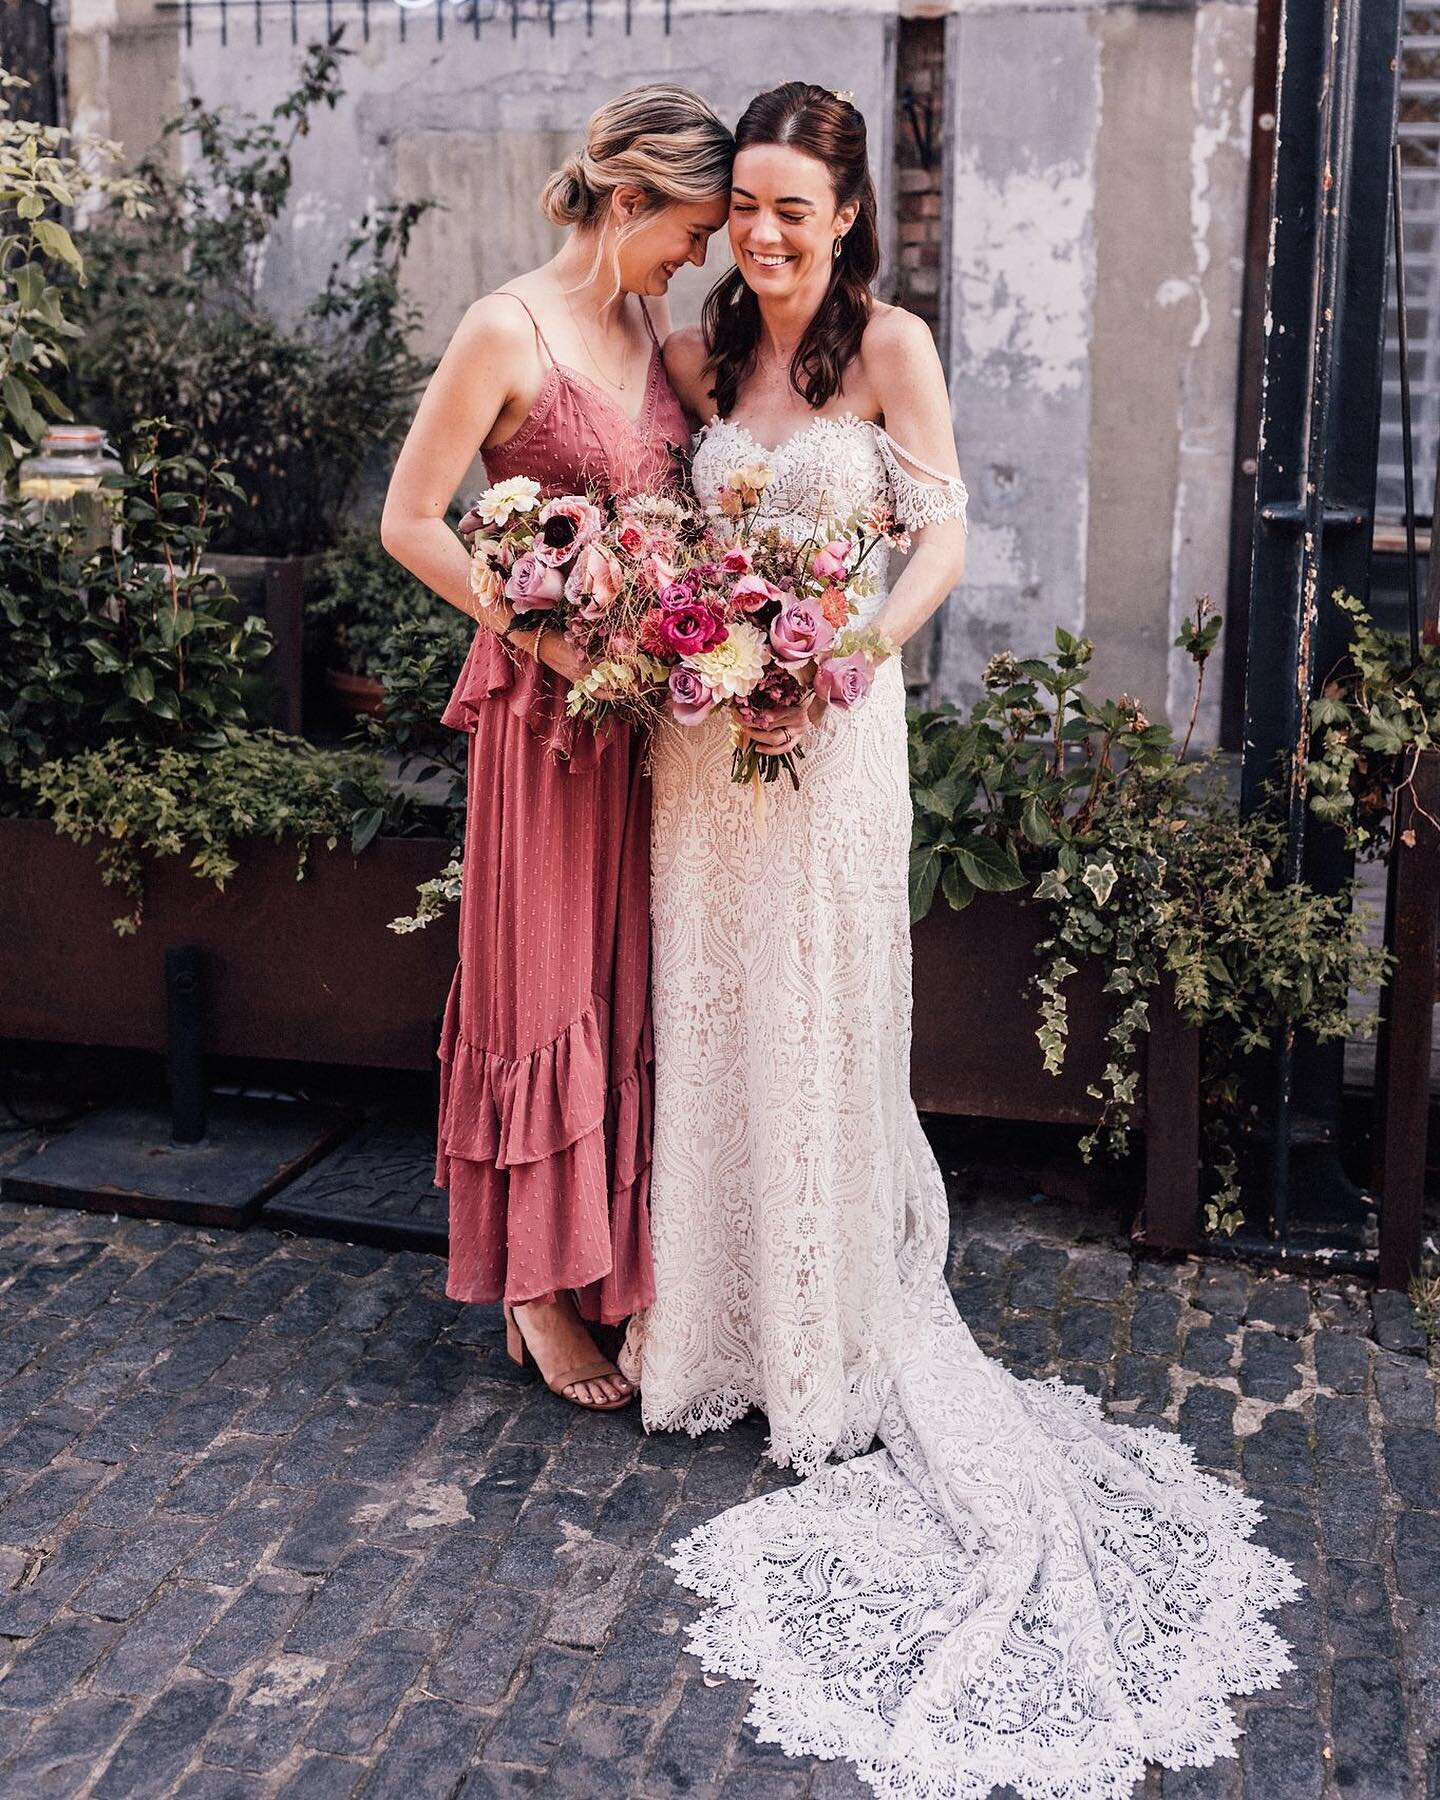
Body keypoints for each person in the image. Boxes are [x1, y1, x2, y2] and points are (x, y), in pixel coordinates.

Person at [622, 81, 1300, 1796]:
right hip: (704, 749)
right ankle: (719, 1323)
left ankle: (832, 1329)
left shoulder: (891, 350)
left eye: (797, 210)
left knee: (823, 1016)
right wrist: (680, 626)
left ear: (850, 215)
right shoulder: (704, 354)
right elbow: (674, 533)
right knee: (715, 1014)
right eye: (748, 208)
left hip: (835, 734)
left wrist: (843, 647)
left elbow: (942, 533)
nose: (765, 238)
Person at [381, 87, 731, 1411]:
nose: (694, 257)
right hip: (543, 716)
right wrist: (544, 632)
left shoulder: (647, 321)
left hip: (643, 716)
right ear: (630, 199)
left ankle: (609, 1268)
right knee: (541, 983)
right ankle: (532, 1286)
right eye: (689, 229)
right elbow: (412, 522)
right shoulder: (503, 327)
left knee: (620, 976)